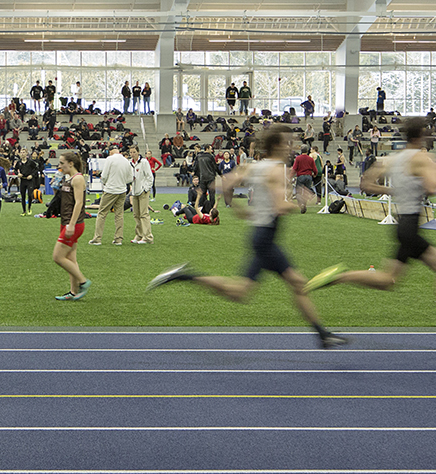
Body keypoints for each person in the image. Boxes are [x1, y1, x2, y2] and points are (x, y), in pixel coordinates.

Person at [148, 125, 346, 349]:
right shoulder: (275, 170)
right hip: (266, 238)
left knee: (240, 292)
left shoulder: (257, 166)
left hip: (262, 235)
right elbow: (280, 206)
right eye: (287, 142)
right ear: (277, 145)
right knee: (296, 284)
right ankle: (323, 335)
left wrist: (237, 208)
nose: (291, 146)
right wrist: (302, 199)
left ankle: (183, 276)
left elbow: (223, 183)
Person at [305, 118, 436, 340]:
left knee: (388, 281)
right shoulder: (422, 158)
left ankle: (341, 276)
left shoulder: (393, 158)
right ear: (419, 136)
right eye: (427, 134)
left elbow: (366, 185)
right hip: (410, 227)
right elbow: (433, 188)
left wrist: (397, 192)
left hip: (404, 225)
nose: (430, 137)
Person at [51, 151, 90, 301]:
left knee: (58, 257)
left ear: (71, 163)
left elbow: (79, 203)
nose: (60, 166)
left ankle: (83, 281)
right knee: (70, 259)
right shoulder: (69, 178)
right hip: (66, 222)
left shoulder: (78, 179)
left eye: (62, 163)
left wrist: (72, 225)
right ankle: (74, 292)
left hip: (73, 224)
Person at [89, 146, 133, 246]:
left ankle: (97, 238)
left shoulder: (110, 159)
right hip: (122, 190)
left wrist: (105, 183)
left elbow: (104, 175)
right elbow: (130, 178)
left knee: (102, 214)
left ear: (111, 152)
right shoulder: (126, 161)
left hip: (110, 190)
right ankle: (118, 239)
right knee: (119, 215)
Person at [128, 145, 154, 245]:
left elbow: (149, 177)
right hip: (134, 191)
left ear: (138, 152)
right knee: (136, 214)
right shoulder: (130, 163)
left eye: (134, 152)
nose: (132, 154)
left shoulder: (143, 162)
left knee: (144, 214)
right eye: (131, 152)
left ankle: (147, 236)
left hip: (142, 191)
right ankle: (139, 234)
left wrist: (146, 188)